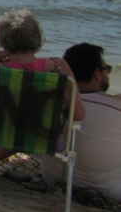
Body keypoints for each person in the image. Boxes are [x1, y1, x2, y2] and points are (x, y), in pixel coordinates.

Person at [0, 9, 85, 168]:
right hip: (45, 136)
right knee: (25, 120)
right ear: (38, 38)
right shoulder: (59, 67)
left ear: (3, 40)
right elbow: (78, 114)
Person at [40, 44, 121, 201]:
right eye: (107, 69)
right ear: (97, 74)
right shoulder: (116, 107)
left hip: (53, 177)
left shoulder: (52, 102)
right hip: (109, 190)